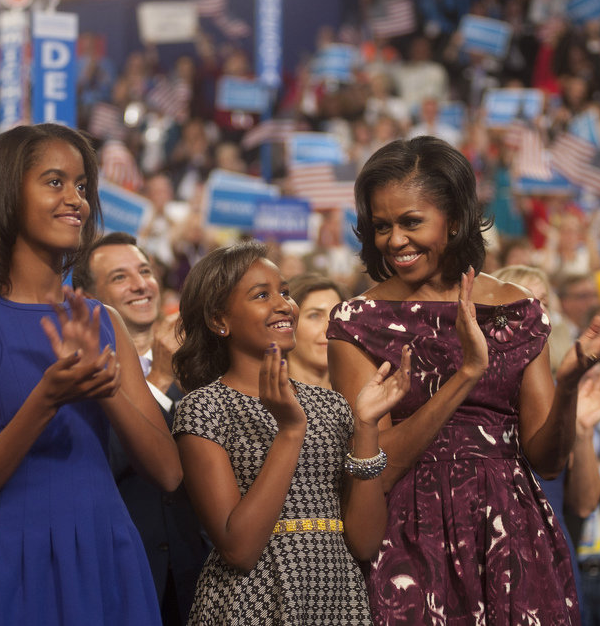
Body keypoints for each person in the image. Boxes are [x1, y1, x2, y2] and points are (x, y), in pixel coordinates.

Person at [327, 136, 600, 624]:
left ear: (457, 219)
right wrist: (466, 375)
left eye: (411, 222)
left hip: (510, 534)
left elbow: (548, 462)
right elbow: (376, 470)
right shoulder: (356, 322)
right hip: (405, 538)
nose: (394, 240)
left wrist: (568, 385)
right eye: (382, 226)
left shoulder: (518, 311)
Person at [0, 123, 182, 625]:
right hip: (11, 569)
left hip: (106, 557)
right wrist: (46, 399)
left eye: (82, 186)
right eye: (55, 182)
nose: (76, 200)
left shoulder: (104, 323)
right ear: (6, 196)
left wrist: (102, 386)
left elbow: (168, 472)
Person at [171, 241, 412, 625]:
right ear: (220, 320)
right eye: (262, 295)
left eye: (284, 291)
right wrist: (289, 431)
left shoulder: (332, 406)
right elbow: (239, 549)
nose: (284, 304)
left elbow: (365, 543)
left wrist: (366, 428)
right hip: (253, 602)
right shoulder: (204, 408)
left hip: (337, 600)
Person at [71, 231, 208, 625]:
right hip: (121, 575)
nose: (139, 284)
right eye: (119, 277)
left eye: (145, 271)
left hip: (199, 572)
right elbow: (106, 460)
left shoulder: (201, 368)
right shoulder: (76, 372)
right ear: (87, 296)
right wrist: (159, 383)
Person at [285, 273, 345, 389]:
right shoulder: (259, 398)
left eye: (338, 316)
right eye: (314, 316)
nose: (330, 328)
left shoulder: (359, 394)